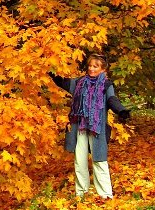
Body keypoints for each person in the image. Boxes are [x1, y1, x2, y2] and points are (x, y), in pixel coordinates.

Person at [49, 53, 130, 199]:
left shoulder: (106, 85)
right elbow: (64, 82)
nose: (91, 69)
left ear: (103, 69)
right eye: (90, 66)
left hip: (96, 127)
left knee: (99, 160)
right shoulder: (80, 82)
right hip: (78, 125)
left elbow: (112, 99)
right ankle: (81, 194)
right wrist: (52, 73)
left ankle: (106, 195)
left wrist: (121, 110)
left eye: (95, 66)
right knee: (79, 161)